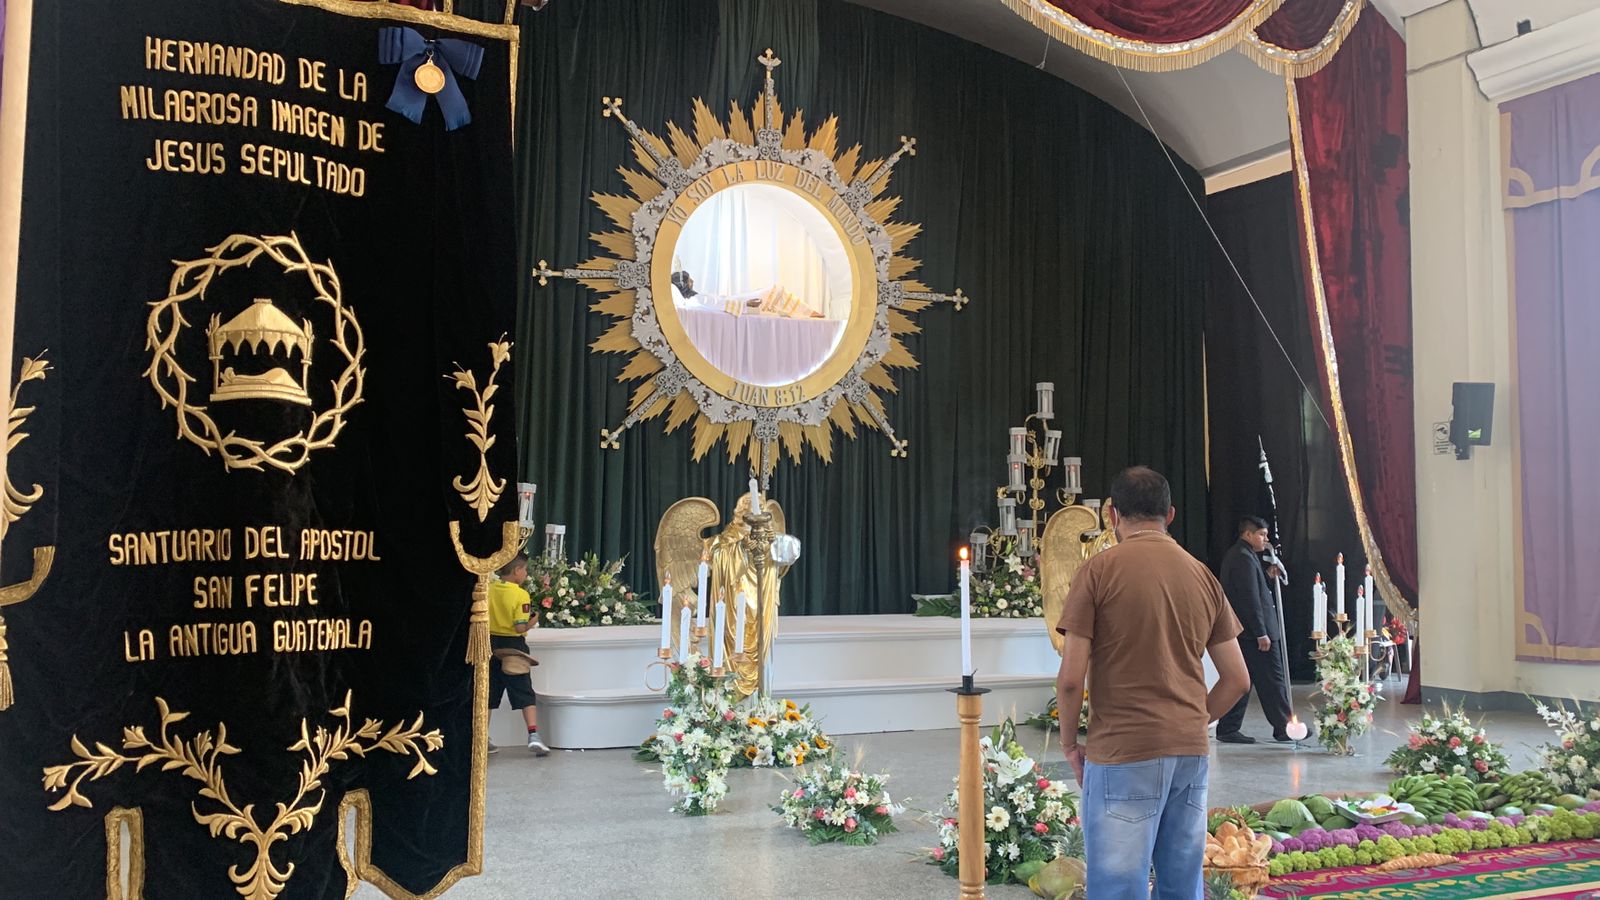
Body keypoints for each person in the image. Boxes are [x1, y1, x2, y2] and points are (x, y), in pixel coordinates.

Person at [1055, 466, 1250, 900]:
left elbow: (1071, 680)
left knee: (1118, 887)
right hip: (1188, 751)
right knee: (1182, 883)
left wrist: (1070, 744)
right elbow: (1237, 678)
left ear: (1111, 515)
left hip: (1123, 750)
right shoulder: (1202, 575)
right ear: (1171, 514)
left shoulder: (1098, 571)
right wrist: (1194, 719)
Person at [1215, 516, 1295, 745]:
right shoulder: (1242, 558)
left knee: (1245, 681)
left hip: (1249, 631)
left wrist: (1268, 576)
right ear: (1247, 534)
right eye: (1261, 534)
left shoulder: (1245, 556)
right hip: (1255, 633)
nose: (1265, 539)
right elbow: (1248, 599)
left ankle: (1229, 727)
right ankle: (1284, 727)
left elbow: (1255, 590)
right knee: (1273, 680)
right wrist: (1261, 632)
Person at [488, 554, 549, 755]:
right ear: (516, 571)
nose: (525, 574)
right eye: (525, 570)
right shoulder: (520, 595)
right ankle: (533, 735)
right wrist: (535, 618)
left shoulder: (489, 589)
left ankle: (482, 737)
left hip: (490, 646)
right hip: (513, 647)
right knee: (524, 692)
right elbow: (519, 627)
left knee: (488, 694)